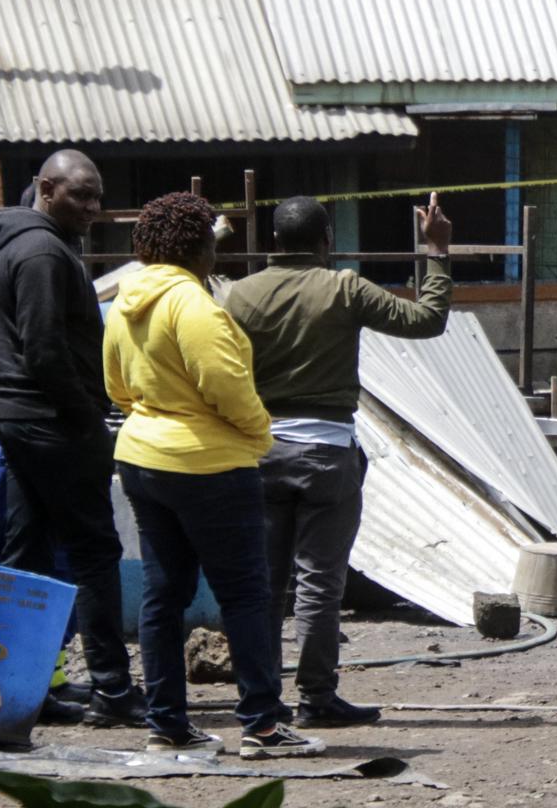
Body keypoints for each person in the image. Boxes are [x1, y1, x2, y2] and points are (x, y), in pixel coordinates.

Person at [105, 192, 324, 759]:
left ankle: (168, 725)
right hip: (209, 465)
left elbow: (116, 387)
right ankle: (264, 726)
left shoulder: (125, 302)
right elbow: (227, 387)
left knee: (164, 593)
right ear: (200, 246)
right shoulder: (195, 307)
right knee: (247, 595)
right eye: (212, 242)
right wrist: (258, 435)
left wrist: (157, 418)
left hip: (142, 459)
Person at [222, 193, 451, 728]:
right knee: (319, 585)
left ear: (275, 242)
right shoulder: (344, 289)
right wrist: (436, 253)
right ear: (327, 240)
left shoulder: (237, 297)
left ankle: (261, 700)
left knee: (264, 587)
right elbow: (427, 319)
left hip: (259, 454)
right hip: (327, 456)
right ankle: (317, 698)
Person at [0, 150, 145, 730]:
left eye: (98, 196)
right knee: (95, 553)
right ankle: (112, 689)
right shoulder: (42, 251)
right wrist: (85, 418)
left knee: (26, 561)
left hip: (20, 419)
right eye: (81, 195)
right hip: (50, 420)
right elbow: (45, 348)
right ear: (46, 189)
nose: (93, 209)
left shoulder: (13, 244)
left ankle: (24, 688)